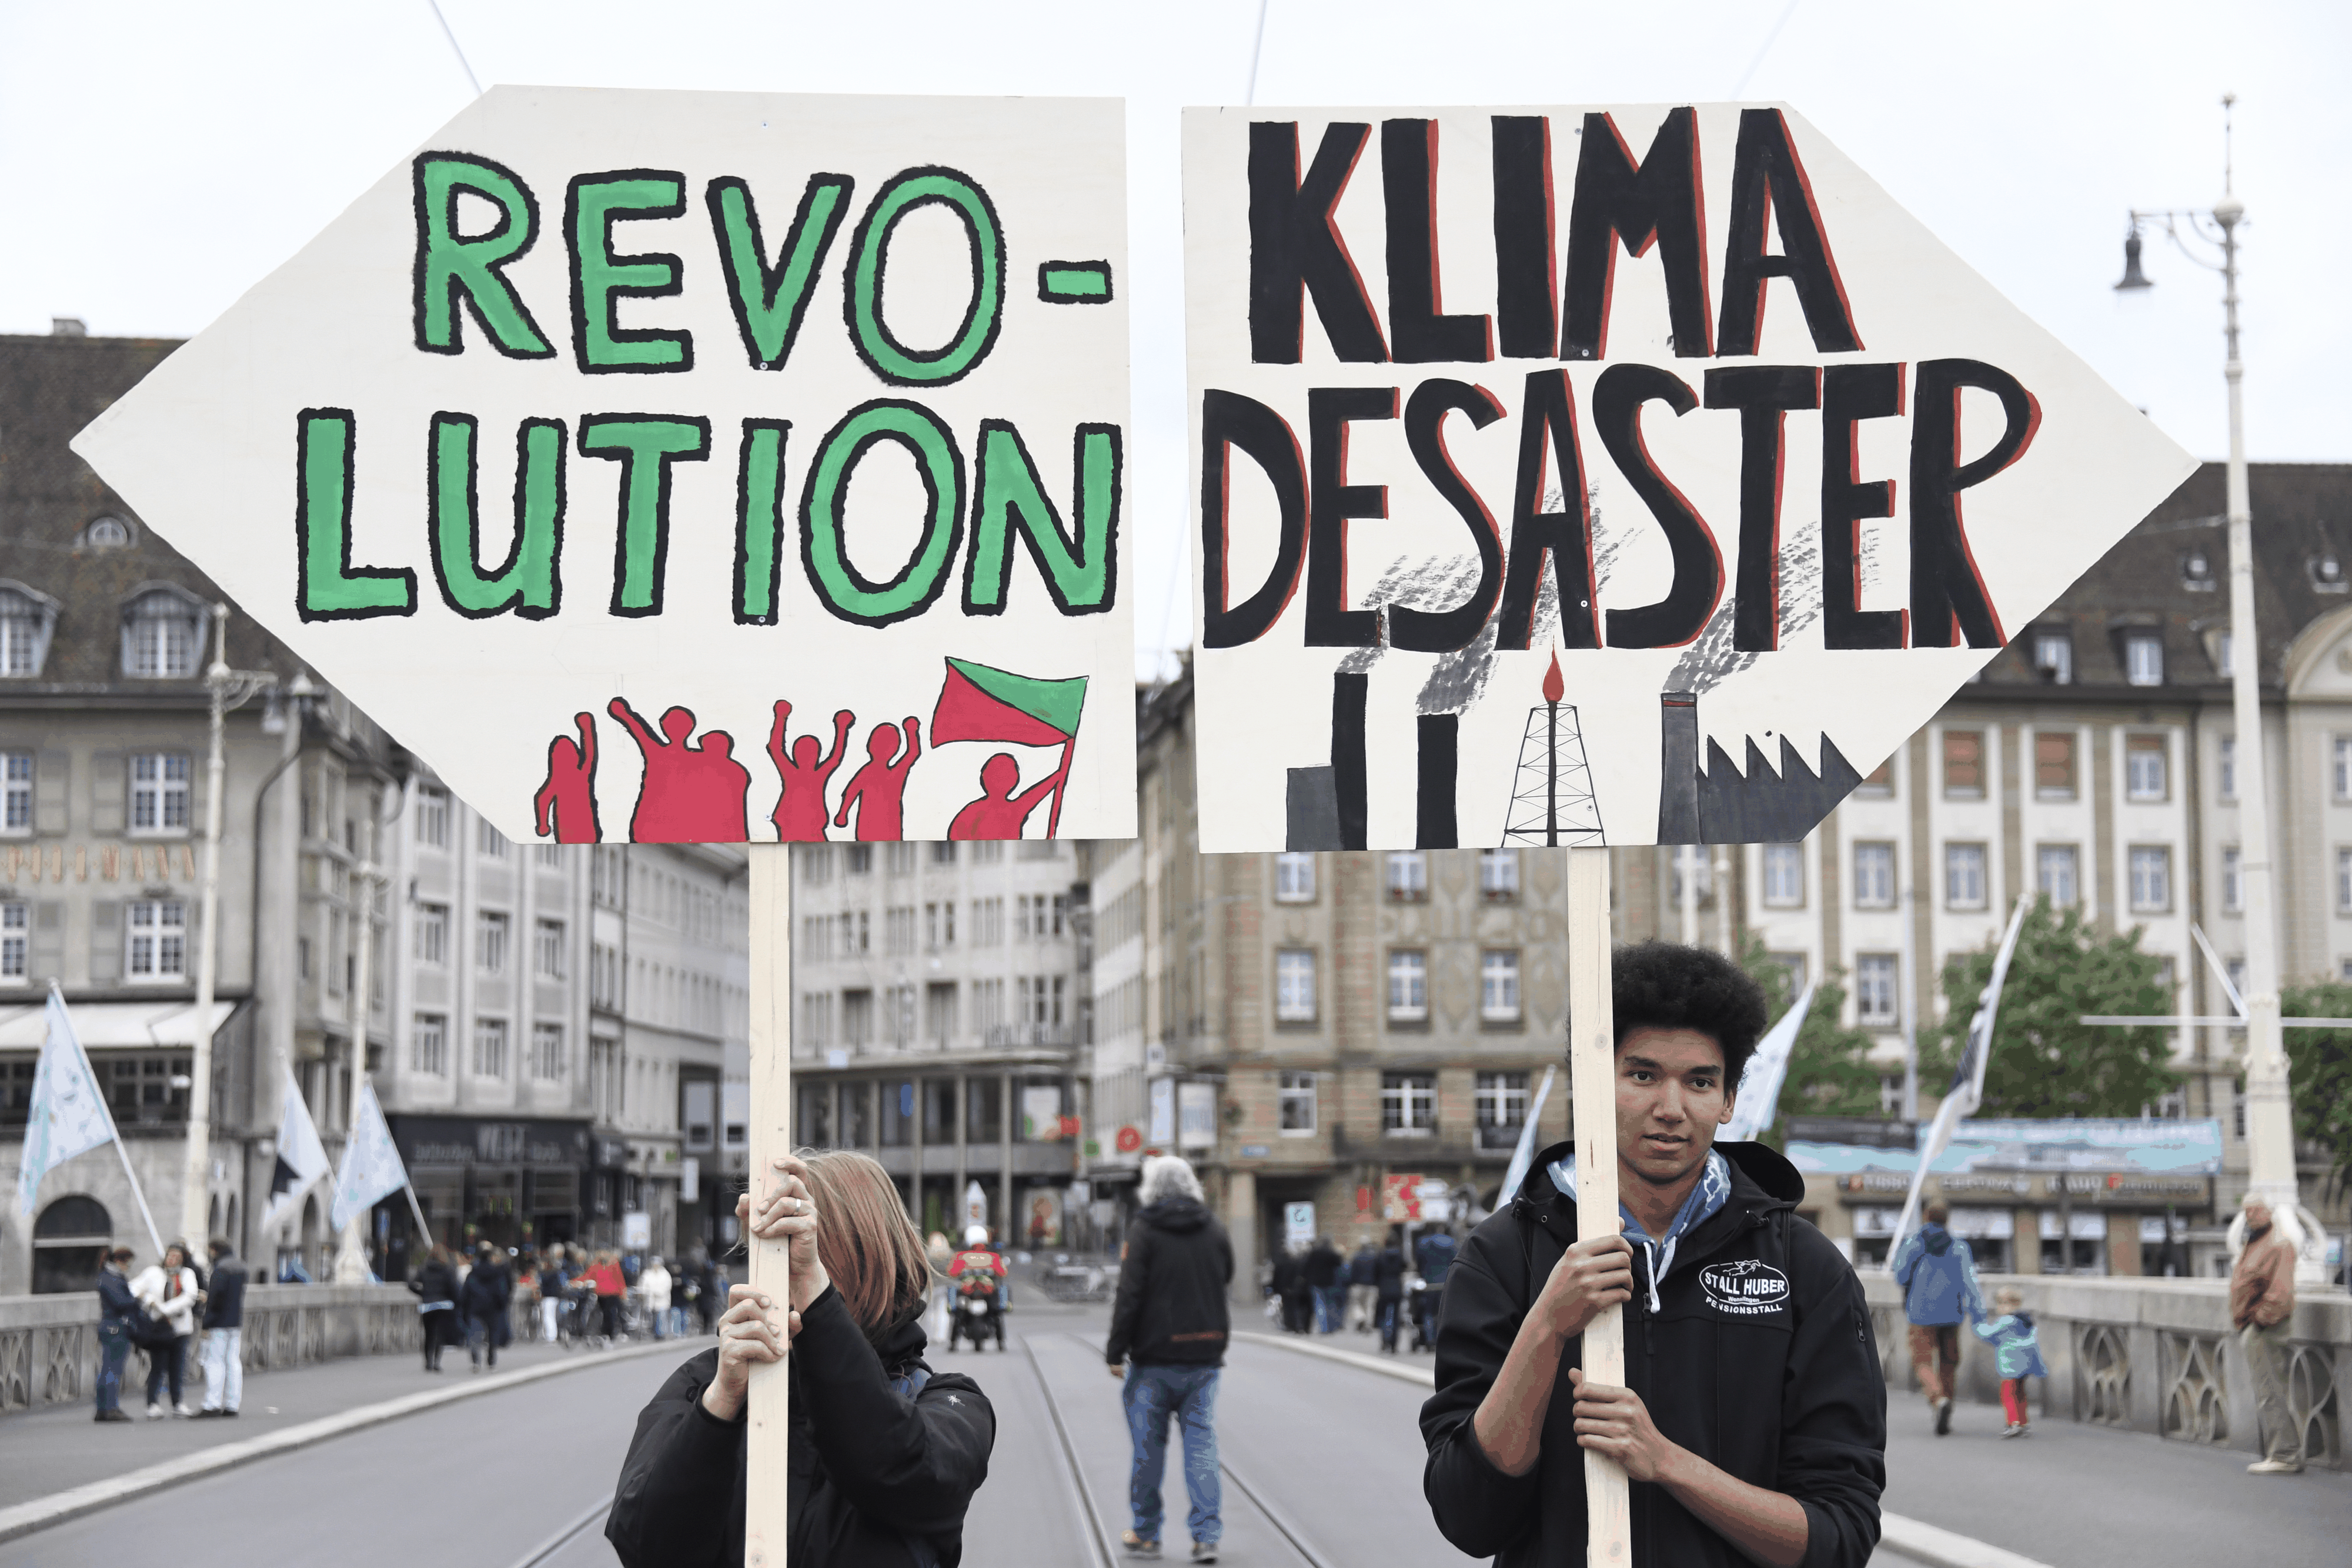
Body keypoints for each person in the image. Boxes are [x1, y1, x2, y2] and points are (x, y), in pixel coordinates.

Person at [1421, 941, 1886, 1568]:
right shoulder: (1501, 1256)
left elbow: (1839, 1537)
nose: (1671, 1109)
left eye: (1699, 1082)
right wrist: (1546, 1327)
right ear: (1592, 1082)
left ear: (1727, 1101)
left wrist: (1668, 1464)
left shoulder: (1805, 1270)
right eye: (1642, 1075)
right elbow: (1468, 1518)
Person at [606, 1151, 995, 1567]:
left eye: (807, 1252)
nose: (784, 1272)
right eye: (773, 1252)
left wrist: (813, 1289)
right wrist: (719, 1407)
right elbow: (645, 1546)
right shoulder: (707, 1379)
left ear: (873, 1257)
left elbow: (890, 1466)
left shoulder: (950, 1404)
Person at [1104, 1154, 1233, 1564]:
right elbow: (1227, 1272)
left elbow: (1130, 1294)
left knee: (1148, 1449)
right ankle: (1206, 1536)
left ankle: (1146, 1534)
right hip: (1205, 1355)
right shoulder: (1213, 1226)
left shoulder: (1145, 1230)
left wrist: (1115, 1349)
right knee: (1201, 1445)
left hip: (1155, 1356)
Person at [1890, 1200, 1985, 1436]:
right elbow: (1970, 1282)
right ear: (1947, 1219)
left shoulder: (1914, 1243)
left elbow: (1901, 1276)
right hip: (1952, 1313)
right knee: (1949, 1361)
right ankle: (1947, 1404)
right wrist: (1978, 1313)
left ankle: (1937, 1399)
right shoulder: (1959, 1247)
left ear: (1925, 1216)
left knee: (1922, 1360)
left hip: (1920, 1312)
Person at [2232, 1195, 2303, 1475]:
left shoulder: (2278, 1244)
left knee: (2271, 1391)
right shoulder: (2256, 1242)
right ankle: (2281, 1452)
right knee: (2267, 1391)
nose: (2251, 1214)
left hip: (2266, 1329)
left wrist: (2260, 1322)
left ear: (2270, 1212)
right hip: (2255, 1327)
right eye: (2247, 1210)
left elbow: (2281, 1292)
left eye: (2256, 1209)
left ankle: (2285, 1455)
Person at [131, 1241, 201, 1418]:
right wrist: (149, 1300)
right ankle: (152, 1404)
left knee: (177, 1367)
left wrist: (165, 1309)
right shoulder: (154, 1273)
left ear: (182, 1260)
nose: (172, 1259)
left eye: (176, 1257)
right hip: (160, 1329)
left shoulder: (187, 1274)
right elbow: (133, 1287)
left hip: (180, 1328)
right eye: (170, 1255)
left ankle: (178, 1403)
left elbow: (190, 1296)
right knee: (158, 1367)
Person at [1969, 1286, 2046, 1438]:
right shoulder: (2026, 1320)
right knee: (2020, 1393)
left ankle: (2013, 1423)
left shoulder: (2006, 1321)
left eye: (2000, 1303)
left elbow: (1988, 1334)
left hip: (2011, 1363)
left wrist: (1977, 1325)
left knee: (2008, 1393)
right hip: (2026, 1364)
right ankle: (2024, 1423)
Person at [196, 1238, 247, 1417]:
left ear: (214, 1250)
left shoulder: (221, 1269)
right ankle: (233, 1404)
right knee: (233, 1362)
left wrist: (206, 1323)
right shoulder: (241, 1267)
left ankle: (212, 1403)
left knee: (214, 1362)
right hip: (235, 1321)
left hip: (219, 1323)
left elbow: (215, 1299)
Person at [93, 1247, 139, 1423]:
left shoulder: (104, 1277)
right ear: (121, 1261)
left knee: (107, 1369)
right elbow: (121, 1302)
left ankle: (102, 1408)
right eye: (128, 1263)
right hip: (116, 1327)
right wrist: (137, 1299)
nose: (128, 1267)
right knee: (113, 1369)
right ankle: (111, 1407)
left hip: (109, 1326)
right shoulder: (111, 1278)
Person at [462, 1242, 513, 1370]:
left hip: (476, 1308)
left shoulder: (473, 1274)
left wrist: (465, 1307)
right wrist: (502, 1305)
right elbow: (503, 1291)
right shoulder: (497, 1273)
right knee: (493, 1334)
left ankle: (476, 1361)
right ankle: (491, 1359)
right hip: (493, 1308)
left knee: (475, 1335)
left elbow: (465, 1293)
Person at [409, 1244, 461, 1372]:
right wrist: (455, 1301)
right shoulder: (447, 1269)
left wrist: (423, 1294)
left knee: (429, 1334)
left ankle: (428, 1362)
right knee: (440, 1335)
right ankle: (437, 1362)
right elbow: (453, 1288)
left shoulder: (424, 1269)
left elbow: (411, 1284)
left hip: (427, 1306)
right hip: (443, 1305)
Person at [1414, 1227, 1458, 1352]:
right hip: (1446, 1283)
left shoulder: (1423, 1243)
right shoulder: (1452, 1243)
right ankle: (1442, 1339)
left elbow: (1419, 1262)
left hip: (1429, 1284)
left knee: (1428, 1312)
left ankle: (1429, 1340)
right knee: (1443, 1312)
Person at [1372, 1229, 1409, 1353]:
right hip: (1397, 1287)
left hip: (1384, 1287)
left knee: (1384, 1316)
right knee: (1396, 1317)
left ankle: (1384, 1341)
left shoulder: (1381, 1255)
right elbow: (1405, 1267)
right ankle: (1394, 1343)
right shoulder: (1400, 1254)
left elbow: (1375, 1271)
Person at [1304, 1236, 1345, 1335]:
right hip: (1330, 1283)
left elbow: (1307, 1266)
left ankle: (1323, 1328)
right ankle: (1331, 1327)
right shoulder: (1332, 1253)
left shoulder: (1314, 1253)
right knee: (1330, 1305)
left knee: (1319, 1305)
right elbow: (1339, 1264)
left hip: (1316, 1283)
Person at [590, 1248, 627, 1343]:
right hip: (600, 1293)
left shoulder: (613, 1264)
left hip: (612, 1293)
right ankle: (604, 1332)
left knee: (610, 1313)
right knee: (602, 1313)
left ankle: (609, 1333)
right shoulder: (596, 1264)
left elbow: (619, 1279)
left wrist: (623, 1292)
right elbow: (589, 1275)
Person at [1270, 1244, 1309, 1335]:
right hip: (1293, 1288)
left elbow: (1276, 1277)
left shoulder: (1279, 1264)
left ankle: (1289, 1324)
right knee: (1294, 1307)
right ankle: (1296, 1325)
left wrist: (1275, 1288)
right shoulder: (1295, 1263)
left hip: (1283, 1288)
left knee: (1287, 1308)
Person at [1348, 1236, 1379, 1333]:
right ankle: (1368, 1324)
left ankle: (1361, 1317)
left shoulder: (1356, 1257)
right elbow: (1378, 1272)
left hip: (1358, 1285)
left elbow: (1352, 1272)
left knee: (1356, 1304)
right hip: (1372, 1285)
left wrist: (1351, 1283)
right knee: (1370, 1306)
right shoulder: (1375, 1257)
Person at [643, 1255, 674, 1340]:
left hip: (662, 1300)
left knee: (661, 1318)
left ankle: (661, 1335)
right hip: (650, 1300)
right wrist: (646, 1292)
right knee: (653, 1319)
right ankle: (655, 1334)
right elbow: (644, 1285)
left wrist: (658, 1293)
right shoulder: (647, 1273)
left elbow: (667, 1286)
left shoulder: (665, 1274)